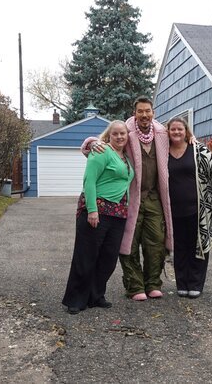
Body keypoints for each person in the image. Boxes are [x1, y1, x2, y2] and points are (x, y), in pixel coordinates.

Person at [81, 97, 173, 301]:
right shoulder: (127, 130)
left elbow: (180, 140)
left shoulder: (161, 133)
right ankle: (135, 286)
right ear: (134, 113)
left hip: (154, 197)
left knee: (155, 241)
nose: (144, 115)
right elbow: (105, 138)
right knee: (128, 242)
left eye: (147, 111)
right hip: (131, 197)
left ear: (153, 112)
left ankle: (153, 284)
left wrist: (191, 138)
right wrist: (93, 142)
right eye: (140, 111)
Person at [63, 120, 134, 315]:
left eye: (123, 134)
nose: (120, 137)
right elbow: (89, 181)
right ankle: (76, 300)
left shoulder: (126, 158)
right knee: (85, 256)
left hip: (118, 214)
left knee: (108, 259)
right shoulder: (101, 151)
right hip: (97, 211)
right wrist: (92, 210)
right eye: (115, 134)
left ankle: (95, 295)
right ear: (108, 136)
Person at [166, 117, 212, 298]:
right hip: (173, 211)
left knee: (198, 247)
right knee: (180, 248)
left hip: (199, 210)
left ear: (186, 131)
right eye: (173, 129)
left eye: (179, 129)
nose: (176, 132)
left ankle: (196, 284)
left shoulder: (199, 150)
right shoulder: (162, 152)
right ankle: (182, 284)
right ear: (167, 132)